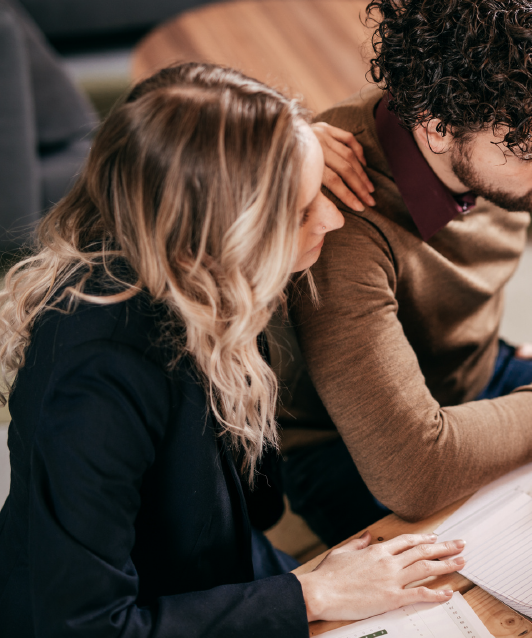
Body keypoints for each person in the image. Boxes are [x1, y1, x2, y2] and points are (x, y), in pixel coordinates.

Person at [0, 63, 466, 637]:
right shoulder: (98, 379)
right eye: (297, 211)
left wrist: (290, 153)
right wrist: (311, 593)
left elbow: (252, 505)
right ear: (215, 236)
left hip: (223, 570)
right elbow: (87, 627)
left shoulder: (203, 284)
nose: (333, 216)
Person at [277, 0, 532, 543]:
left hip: (471, 373)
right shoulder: (341, 215)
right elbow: (413, 473)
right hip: (349, 444)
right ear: (439, 128)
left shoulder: (531, 120)